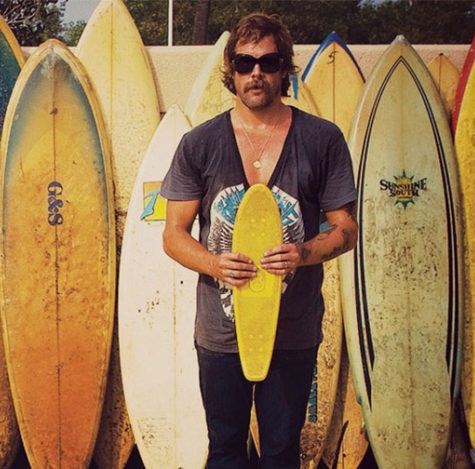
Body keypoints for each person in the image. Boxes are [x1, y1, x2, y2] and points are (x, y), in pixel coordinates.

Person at [160, 13, 358, 469]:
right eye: (246, 62)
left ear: (284, 69)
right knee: (225, 450)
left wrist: (303, 253)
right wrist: (214, 264)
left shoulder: (321, 140)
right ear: (229, 71)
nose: (256, 72)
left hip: (292, 329)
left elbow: (346, 228)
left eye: (268, 62)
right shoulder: (200, 143)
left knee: (281, 452)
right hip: (221, 332)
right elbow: (173, 234)